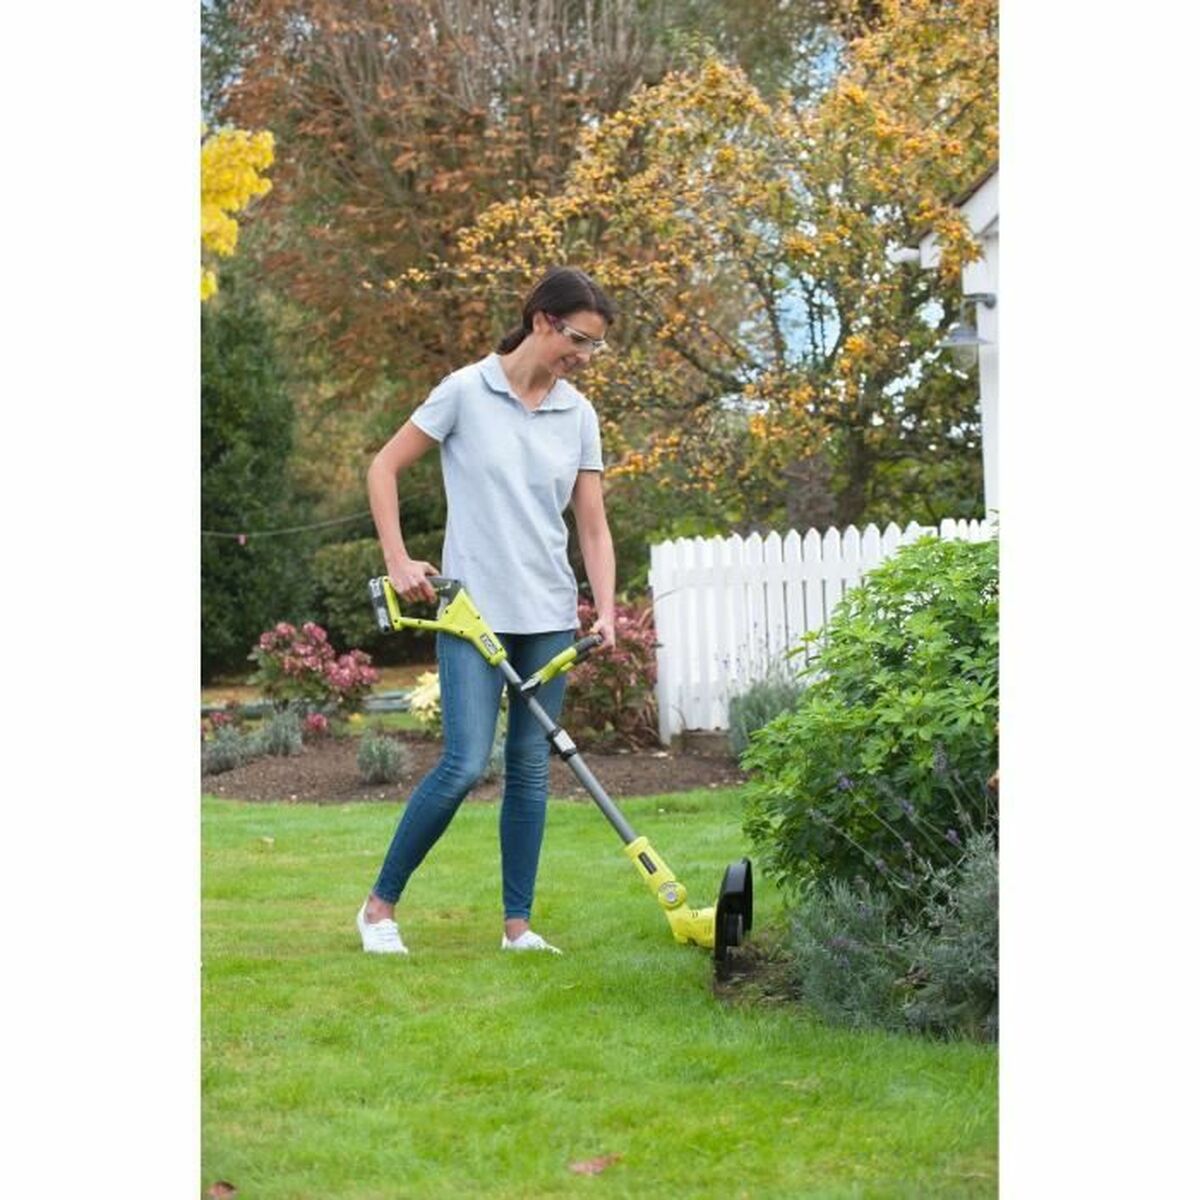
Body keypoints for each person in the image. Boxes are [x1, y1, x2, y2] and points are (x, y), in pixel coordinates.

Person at [357, 266, 618, 956]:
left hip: (549, 613)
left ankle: (517, 927)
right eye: (579, 340)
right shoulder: (465, 392)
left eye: (595, 346)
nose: (585, 357)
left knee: (530, 769)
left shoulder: (578, 415)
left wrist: (605, 610)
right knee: (465, 762)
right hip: (472, 613)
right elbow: (383, 468)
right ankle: (378, 908)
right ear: (542, 321)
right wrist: (397, 559)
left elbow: (592, 527)